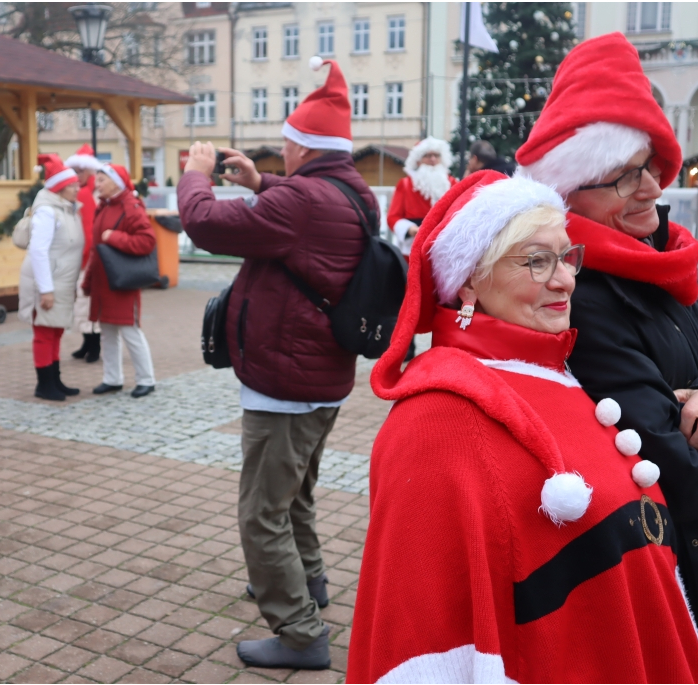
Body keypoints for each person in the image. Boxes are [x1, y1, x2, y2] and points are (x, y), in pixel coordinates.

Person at [348, 172, 698, 684]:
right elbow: (419, 639)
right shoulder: (434, 423)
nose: (565, 279)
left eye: (567, 256)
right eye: (537, 260)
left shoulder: (553, 370)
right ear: (471, 279)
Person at [516, 32, 698, 667]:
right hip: (666, 580)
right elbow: (682, 478)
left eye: (652, 166)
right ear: (568, 190)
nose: (652, 189)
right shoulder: (574, 296)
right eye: (623, 176)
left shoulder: (663, 255)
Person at [178, 56, 374, 671]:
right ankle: (307, 586)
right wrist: (260, 182)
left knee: (261, 514)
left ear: (302, 147)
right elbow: (305, 216)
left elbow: (203, 223)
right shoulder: (351, 190)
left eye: (288, 146)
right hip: (320, 377)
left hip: (286, 383)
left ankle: (297, 631)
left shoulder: (304, 201)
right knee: (293, 498)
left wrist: (196, 175)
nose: (283, 154)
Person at [82, 164, 157, 398]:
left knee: (130, 331)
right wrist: (88, 280)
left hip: (122, 282)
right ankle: (112, 379)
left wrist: (115, 237)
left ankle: (146, 379)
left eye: (102, 179)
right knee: (106, 331)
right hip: (104, 282)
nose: (97, 183)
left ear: (116, 182)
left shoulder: (131, 207)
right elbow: (96, 249)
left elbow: (147, 241)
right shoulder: (103, 207)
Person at [19, 153, 85, 402]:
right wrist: (45, 289)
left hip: (61, 280)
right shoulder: (47, 211)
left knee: (55, 330)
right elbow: (38, 250)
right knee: (45, 333)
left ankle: (55, 379)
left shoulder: (65, 209)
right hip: (47, 281)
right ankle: (44, 384)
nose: (77, 187)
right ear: (59, 187)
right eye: (72, 184)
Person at [388, 137, 455, 360]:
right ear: (419, 159)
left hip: (443, 252)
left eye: (436, 155)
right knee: (410, 301)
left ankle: (445, 346)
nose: (433, 160)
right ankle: (406, 349)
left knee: (445, 300)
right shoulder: (406, 184)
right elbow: (394, 216)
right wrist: (410, 230)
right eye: (428, 155)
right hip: (412, 251)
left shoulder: (452, 183)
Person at [65, 144, 103, 363]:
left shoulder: (89, 194)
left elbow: (89, 230)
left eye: (80, 171)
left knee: (87, 302)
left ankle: (93, 345)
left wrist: (85, 257)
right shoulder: (83, 193)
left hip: (90, 257)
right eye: (75, 171)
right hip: (83, 255)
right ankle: (88, 343)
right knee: (82, 302)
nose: (77, 175)